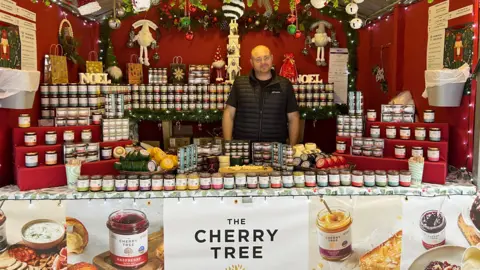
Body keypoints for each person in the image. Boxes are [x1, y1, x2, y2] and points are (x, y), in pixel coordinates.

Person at [222, 45, 300, 145]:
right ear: (251, 62)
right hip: (244, 149)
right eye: (258, 59)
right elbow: (229, 114)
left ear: (271, 58)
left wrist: (292, 148)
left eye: (266, 58)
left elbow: (294, 117)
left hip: (275, 150)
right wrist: (228, 145)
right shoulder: (240, 83)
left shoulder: (285, 85)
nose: (263, 62)